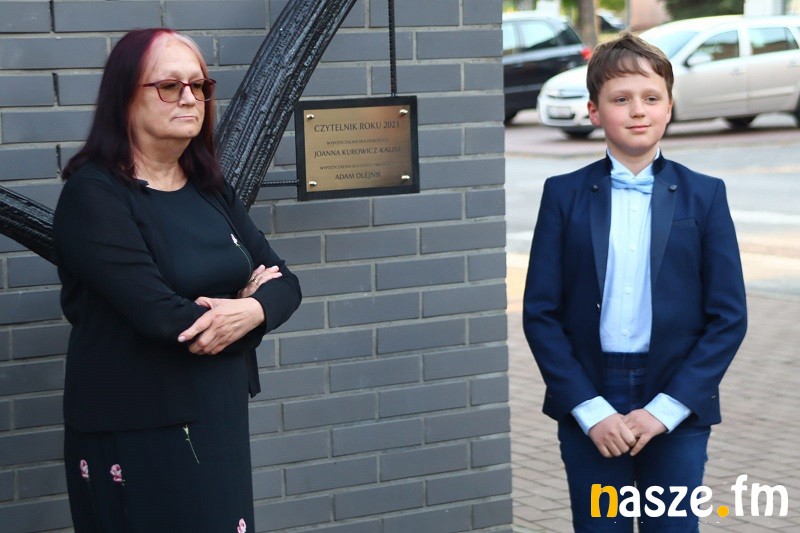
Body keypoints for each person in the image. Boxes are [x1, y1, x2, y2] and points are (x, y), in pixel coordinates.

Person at [53, 28, 301, 532]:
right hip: (138, 426)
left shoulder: (209, 187)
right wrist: (245, 309)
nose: (190, 98)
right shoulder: (94, 196)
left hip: (218, 412)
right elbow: (163, 318)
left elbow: (285, 282)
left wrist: (253, 308)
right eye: (169, 86)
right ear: (124, 98)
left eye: (199, 85)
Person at [522, 32, 747, 532]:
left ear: (669, 107)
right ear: (594, 112)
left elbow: (728, 317)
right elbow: (540, 313)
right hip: (590, 391)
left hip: (676, 395)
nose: (638, 110)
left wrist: (666, 409)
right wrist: (589, 409)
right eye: (620, 99)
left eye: (651, 98)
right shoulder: (562, 195)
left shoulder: (705, 195)